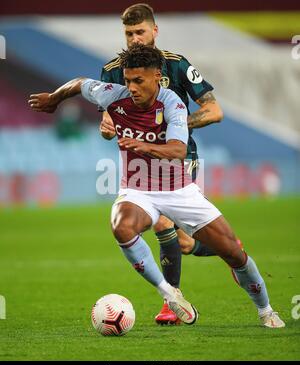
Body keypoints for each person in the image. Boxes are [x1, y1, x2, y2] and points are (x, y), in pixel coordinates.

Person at [29, 44, 285, 329]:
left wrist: (143, 145)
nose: (131, 87)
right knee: (121, 225)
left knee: (234, 254)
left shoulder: (172, 103)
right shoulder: (113, 95)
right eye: (127, 80)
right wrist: (54, 98)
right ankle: (169, 292)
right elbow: (79, 83)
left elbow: (177, 149)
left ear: (157, 77)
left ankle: (266, 310)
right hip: (137, 192)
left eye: (138, 81)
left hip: (179, 191)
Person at [99, 3, 229, 324]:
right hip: (139, 164)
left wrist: (176, 127)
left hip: (180, 157)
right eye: (129, 33)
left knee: (161, 224)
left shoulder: (177, 65)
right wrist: (106, 125)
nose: (135, 39)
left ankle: (172, 303)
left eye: (140, 31)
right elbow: (107, 121)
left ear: (154, 31)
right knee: (183, 243)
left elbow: (214, 111)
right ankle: (232, 250)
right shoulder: (112, 70)